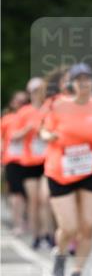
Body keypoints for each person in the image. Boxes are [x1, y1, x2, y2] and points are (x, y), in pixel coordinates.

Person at [41, 63, 92, 276]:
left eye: (87, 79)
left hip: (91, 169)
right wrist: (48, 136)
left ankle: (77, 272)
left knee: (89, 225)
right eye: (78, 79)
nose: (83, 83)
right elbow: (44, 129)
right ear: (71, 83)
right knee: (69, 227)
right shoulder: (58, 106)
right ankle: (60, 252)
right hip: (61, 170)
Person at [11, 77, 54, 248]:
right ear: (30, 93)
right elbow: (13, 137)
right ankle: (37, 235)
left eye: (41, 90)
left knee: (46, 199)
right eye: (34, 91)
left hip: (47, 161)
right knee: (34, 200)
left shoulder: (50, 109)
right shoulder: (24, 112)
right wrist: (27, 129)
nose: (38, 94)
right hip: (29, 162)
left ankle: (49, 234)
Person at [1, 90, 29, 235]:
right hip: (12, 160)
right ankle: (17, 222)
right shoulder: (7, 119)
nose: (20, 104)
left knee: (26, 193)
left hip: (29, 160)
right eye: (18, 101)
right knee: (15, 193)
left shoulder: (30, 116)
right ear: (12, 103)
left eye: (24, 101)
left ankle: (24, 220)